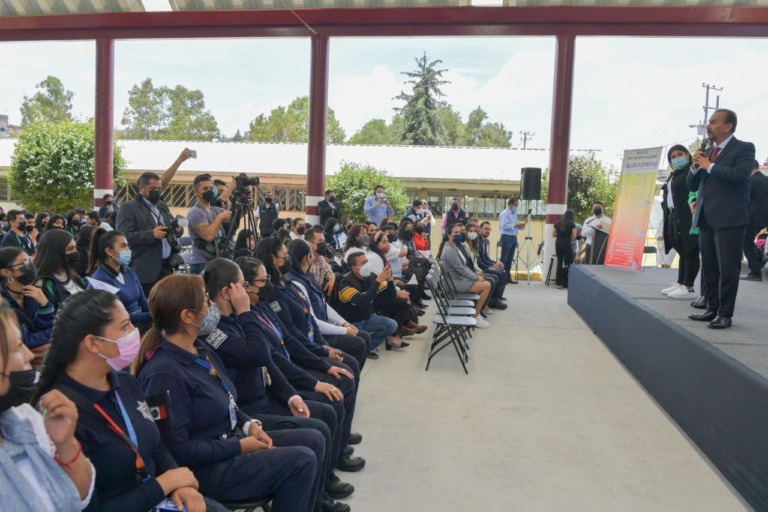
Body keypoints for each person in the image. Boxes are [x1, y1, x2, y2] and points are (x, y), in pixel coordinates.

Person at [135, 274, 322, 511]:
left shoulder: (199, 349)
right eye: (205, 301)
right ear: (187, 316)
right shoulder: (164, 374)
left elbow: (228, 398)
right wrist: (240, 446)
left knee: (314, 439)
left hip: (229, 441)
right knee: (301, 461)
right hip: (205, 469)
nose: (211, 306)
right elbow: (179, 450)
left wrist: (249, 425)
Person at [31, 290, 227, 512]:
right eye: (125, 326)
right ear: (93, 343)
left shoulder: (125, 382)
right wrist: (164, 484)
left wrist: (180, 485)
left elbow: (156, 445)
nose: (135, 332)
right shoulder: (59, 414)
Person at [201, 260, 352, 512]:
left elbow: (270, 358)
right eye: (243, 285)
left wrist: (292, 395)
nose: (249, 290)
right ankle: (313, 502)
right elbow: (258, 354)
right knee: (317, 431)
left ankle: (316, 498)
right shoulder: (216, 332)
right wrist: (246, 312)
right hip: (249, 412)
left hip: (264, 399)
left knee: (323, 418)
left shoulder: (239, 319)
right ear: (228, 292)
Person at [236, 256, 364, 477]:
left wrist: (323, 357)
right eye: (262, 280)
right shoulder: (246, 319)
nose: (267, 284)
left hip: (288, 367)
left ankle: (338, 449)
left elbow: (290, 338)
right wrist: (314, 382)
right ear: (244, 287)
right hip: (276, 383)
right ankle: (330, 466)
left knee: (344, 376)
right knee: (330, 404)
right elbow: (273, 359)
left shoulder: (263, 306)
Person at [0, 302, 95, 512]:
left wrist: (66, 444)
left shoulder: (24, 418)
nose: (29, 355)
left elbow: (78, 496)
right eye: (17, 347)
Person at [687, 109, 755, 329]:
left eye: (714, 122)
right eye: (709, 122)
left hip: (730, 218)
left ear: (728, 126)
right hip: (706, 217)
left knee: (728, 268)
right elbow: (691, 185)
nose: (708, 126)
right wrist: (695, 166)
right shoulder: (708, 152)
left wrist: (709, 165)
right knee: (709, 266)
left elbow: (739, 176)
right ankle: (712, 308)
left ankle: (725, 314)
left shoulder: (744, 148)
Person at [288, 236, 371, 371]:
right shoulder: (295, 283)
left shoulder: (308, 276)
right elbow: (312, 321)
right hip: (316, 333)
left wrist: (343, 323)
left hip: (324, 326)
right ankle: (348, 375)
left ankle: (351, 374)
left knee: (364, 336)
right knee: (358, 345)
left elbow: (323, 304)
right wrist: (344, 330)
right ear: (308, 257)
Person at [116, 172, 184, 298]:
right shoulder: (129, 207)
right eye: (153, 189)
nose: (157, 192)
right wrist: (151, 234)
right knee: (147, 305)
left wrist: (178, 229)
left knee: (167, 303)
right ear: (142, 188)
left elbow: (171, 226)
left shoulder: (162, 205)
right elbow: (123, 237)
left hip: (167, 265)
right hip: (145, 269)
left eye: (159, 189)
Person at [337, 252, 401, 358]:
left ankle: (369, 347)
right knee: (354, 347)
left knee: (392, 325)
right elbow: (363, 301)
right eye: (363, 263)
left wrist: (390, 280)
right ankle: (360, 346)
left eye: (367, 261)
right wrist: (378, 281)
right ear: (354, 268)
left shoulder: (371, 277)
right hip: (351, 323)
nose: (367, 265)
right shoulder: (345, 283)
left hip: (367, 318)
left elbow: (389, 297)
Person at [87, 229, 152, 330]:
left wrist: (155, 312)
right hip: (121, 329)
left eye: (127, 245)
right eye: (123, 246)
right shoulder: (100, 280)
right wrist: (151, 316)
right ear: (109, 251)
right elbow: (116, 317)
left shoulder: (129, 271)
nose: (128, 250)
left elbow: (142, 301)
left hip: (140, 323)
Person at [0, 247, 54, 367]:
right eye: (24, 263)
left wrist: (45, 305)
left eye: (30, 260)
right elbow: (23, 340)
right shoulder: (3, 304)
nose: (30, 266)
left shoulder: (33, 293)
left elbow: (50, 325)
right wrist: (51, 334)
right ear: (6, 272)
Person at [660, 145, 699, 298]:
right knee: (681, 250)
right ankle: (680, 282)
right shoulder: (675, 174)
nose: (677, 158)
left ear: (687, 154)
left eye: (679, 154)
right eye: (673, 157)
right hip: (673, 215)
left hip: (687, 215)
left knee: (690, 250)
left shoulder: (692, 171)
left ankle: (688, 287)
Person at [439, 223, 491, 327]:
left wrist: (475, 275)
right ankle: (476, 315)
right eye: (455, 232)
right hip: (453, 283)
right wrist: (476, 278)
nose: (458, 235)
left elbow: (463, 266)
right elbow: (461, 269)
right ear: (449, 235)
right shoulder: (449, 250)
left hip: (458, 279)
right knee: (486, 286)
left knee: (485, 282)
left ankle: (474, 313)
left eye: (459, 232)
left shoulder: (453, 247)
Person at [187, 174, 233, 275]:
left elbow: (234, 217)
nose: (209, 191)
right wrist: (220, 217)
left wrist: (243, 201)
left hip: (216, 261)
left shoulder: (215, 210)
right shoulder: (195, 212)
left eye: (211, 188)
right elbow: (208, 236)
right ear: (196, 192)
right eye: (205, 188)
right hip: (201, 263)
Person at [35, 229, 86, 313]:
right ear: (55, 253)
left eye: (75, 248)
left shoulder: (73, 275)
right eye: (70, 249)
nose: (75, 252)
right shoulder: (45, 285)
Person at [742, 159, 768, 281]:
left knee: (746, 243)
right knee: (748, 241)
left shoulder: (750, 181)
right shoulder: (766, 179)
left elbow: (745, 199)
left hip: (751, 217)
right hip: (763, 218)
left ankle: (755, 272)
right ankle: (760, 256)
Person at [498, 198, 527, 283]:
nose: (516, 207)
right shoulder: (505, 213)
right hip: (507, 237)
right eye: (515, 205)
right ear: (510, 204)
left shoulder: (514, 214)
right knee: (504, 258)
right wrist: (515, 225)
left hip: (513, 237)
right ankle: (501, 277)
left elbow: (515, 226)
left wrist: (522, 225)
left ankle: (507, 277)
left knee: (510, 258)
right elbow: (504, 226)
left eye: (517, 205)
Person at [579, 201, 612, 265]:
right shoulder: (589, 220)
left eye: (599, 207)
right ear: (592, 209)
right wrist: (594, 228)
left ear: (603, 208)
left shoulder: (609, 220)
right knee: (589, 265)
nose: (597, 209)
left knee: (600, 265)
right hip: (590, 245)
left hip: (603, 247)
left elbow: (612, 234)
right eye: (595, 208)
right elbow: (583, 233)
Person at [552, 210, 577, 289]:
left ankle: (558, 282)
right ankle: (566, 282)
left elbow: (553, 234)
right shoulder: (572, 223)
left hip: (558, 243)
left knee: (559, 262)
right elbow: (574, 236)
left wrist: (560, 235)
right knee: (568, 262)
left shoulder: (557, 222)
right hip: (567, 243)